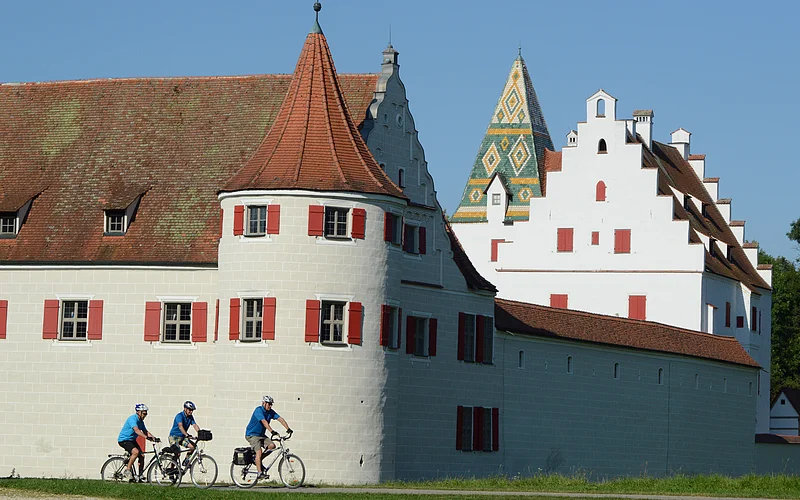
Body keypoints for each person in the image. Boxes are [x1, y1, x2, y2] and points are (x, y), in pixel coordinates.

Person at [245, 395, 293, 478]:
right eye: (269, 404)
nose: (270, 406)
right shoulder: (258, 410)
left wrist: (288, 428)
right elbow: (264, 421)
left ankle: (257, 460)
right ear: (263, 403)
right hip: (252, 434)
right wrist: (272, 431)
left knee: (272, 446)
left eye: (271, 404)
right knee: (259, 451)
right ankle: (260, 473)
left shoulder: (270, 412)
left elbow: (280, 419)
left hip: (261, 435)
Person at [117, 403, 158, 481]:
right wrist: (146, 437)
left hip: (132, 440)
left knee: (141, 455)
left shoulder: (141, 421)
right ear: (139, 412)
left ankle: (140, 475)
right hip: (124, 440)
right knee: (135, 452)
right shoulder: (132, 419)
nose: (145, 415)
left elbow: (145, 431)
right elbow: (136, 430)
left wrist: (154, 438)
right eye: (144, 413)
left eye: (146, 414)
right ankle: (127, 470)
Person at [169, 401, 201, 465]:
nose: (191, 412)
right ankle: (171, 470)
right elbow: (180, 426)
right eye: (190, 410)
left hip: (182, 437)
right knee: (177, 453)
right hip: (174, 437)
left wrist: (200, 433)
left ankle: (186, 461)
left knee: (193, 447)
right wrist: (187, 435)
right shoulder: (179, 416)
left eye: (192, 410)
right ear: (185, 409)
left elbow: (195, 425)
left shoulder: (190, 417)